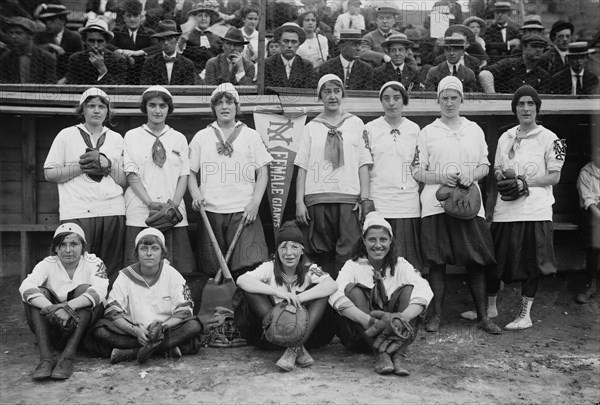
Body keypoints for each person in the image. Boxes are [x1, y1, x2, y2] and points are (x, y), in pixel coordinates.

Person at [462, 86, 566, 330]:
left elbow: (554, 177)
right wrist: (503, 175)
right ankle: (490, 308)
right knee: (494, 260)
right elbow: (497, 169)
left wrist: (524, 181)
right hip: (505, 210)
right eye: (521, 104)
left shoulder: (552, 138)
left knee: (532, 262)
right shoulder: (505, 136)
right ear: (515, 108)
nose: (526, 108)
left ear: (537, 108)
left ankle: (525, 314)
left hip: (535, 210)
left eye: (530, 103)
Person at [411, 76, 501, 335]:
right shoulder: (427, 132)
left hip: (469, 203)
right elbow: (417, 171)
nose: (449, 103)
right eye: (444, 97)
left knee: (476, 260)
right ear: (437, 100)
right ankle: (436, 316)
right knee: (437, 262)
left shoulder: (474, 129)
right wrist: (441, 177)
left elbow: (486, 164)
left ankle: (483, 317)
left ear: (462, 99)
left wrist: (472, 175)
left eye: (454, 97)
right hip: (435, 204)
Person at [330, 211, 433, 375]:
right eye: (372, 239)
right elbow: (335, 293)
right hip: (361, 335)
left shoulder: (400, 264)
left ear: (390, 241)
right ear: (363, 241)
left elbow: (425, 289)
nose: (378, 245)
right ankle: (381, 354)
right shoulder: (352, 265)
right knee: (353, 291)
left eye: (383, 239)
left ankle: (399, 354)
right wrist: (368, 320)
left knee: (410, 289)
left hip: (396, 334)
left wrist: (401, 318)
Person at [188, 83, 272, 277]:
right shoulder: (202, 136)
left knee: (249, 268)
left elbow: (263, 172)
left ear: (237, 106)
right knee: (213, 270)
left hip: (244, 211)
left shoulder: (251, 135)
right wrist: (196, 194)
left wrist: (255, 203)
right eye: (219, 103)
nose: (224, 107)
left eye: (229, 102)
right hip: (211, 211)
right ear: (214, 108)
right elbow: (189, 172)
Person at [44, 88, 126, 282]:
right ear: (82, 110)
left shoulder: (116, 138)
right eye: (91, 106)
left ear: (108, 111)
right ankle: (79, 307)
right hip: (77, 210)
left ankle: (107, 308)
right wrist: (82, 167)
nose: (96, 110)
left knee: (110, 267)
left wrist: (106, 164)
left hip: (111, 210)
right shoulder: (66, 135)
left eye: (101, 106)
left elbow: (123, 180)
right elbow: (49, 173)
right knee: (76, 266)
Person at [295, 74, 373, 278]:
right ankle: (326, 301)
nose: (332, 96)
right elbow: (302, 167)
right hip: (317, 196)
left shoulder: (355, 123)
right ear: (319, 96)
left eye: (337, 91)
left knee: (348, 252)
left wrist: (364, 197)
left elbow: (364, 163)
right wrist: (299, 202)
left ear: (343, 94)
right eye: (327, 91)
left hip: (348, 197)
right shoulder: (311, 127)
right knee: (321, 252)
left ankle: (345, 301)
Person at [86, 228, 203, 364]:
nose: (149, 253)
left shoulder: (172, 274)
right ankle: (165, 350)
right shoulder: (125, 276)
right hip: (133, 332)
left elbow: (184, 310)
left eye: (154, 248)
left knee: (194, 326)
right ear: (136, 253)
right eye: (143, 249)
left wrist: (162, 327)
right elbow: (113, 312)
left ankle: (130, 353)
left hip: (165, 330)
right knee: (99, 330)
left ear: (162, 253)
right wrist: (135, 331)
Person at [234, 221, 338, 371]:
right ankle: (297, 347)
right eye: (283, 247)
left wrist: (300, 298)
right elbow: (241, 280)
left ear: (302, 250)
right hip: (273, 336)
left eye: (294, 247)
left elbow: (332, 285)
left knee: (321, 292)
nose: (289, 253)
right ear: (277, 251)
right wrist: (278, 293)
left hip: (307, 333)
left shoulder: (310, 268)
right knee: (250, 289)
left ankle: (294, 348)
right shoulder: (269, 267)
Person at [19, 223, 108, 380]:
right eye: (62, 245)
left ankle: (67, 357)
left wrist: (68, 307)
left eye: (74, 244)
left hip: (83, 326)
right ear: (56, 248)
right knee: (39, 293)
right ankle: (46, 358)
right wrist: (52, 308)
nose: (68, 250)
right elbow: (25, 286)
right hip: (53, 323)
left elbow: (101, 289)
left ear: (83, 247)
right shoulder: (48, 263)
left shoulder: (93, 262)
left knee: (85, 290)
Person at [122, 86, 195, 275]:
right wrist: (150, 204)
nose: (157, 110)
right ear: (144, 107)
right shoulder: (132, 136)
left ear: (168, 109)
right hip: (141, 212)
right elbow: (131, 175)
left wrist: (173, 206)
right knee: (139, 270)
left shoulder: (178, 138)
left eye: (162, 106)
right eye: (152, 105)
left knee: (176, 270)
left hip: (173, 214)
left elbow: (183, 175)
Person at [365, 81, 423, 270]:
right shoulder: (369, 129)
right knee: (379, 259)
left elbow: (418, 166)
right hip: (380, 201)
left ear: (404, 101)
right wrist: (366, 199)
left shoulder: (414, 130)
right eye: (386, 98)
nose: (391, 103)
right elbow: (364, 165)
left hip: (407, 203)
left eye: (396, 98)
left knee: (406, 262)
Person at [108, 0, 158, 85]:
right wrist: (121, 51)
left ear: (140, 17)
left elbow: (157, 47)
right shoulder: (117, 31)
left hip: (143, 74)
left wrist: (136, 53)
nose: (132, 19)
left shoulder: (149, 33)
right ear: (124, 18)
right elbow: (108, 45)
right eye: (128, 16)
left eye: (135, 16)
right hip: (121, 74)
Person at [479, 34, 551, 94]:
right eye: (534, 46)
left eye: (541, 47)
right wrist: (493, 96)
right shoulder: (508, 64)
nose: (538, 50)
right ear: (524, 47)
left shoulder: (543, 75)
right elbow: (485, 73)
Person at [575, 138, 600, 304]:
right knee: (594, 244)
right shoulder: (586, 173)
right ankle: (591, 284)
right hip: (593, 212)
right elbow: (588, 200)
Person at [66, 18, 127, 84]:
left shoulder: (118, 60)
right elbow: (73, 88)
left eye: (100, 41)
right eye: (91, 41)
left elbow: (117, 90)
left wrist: (102, 69)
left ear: (107, 43)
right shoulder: (75, 59)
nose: (95, 46)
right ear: (84, 41)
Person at [33, 3, 83, 81]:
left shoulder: (74, 37)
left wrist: (66, 79)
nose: (48, 24)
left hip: (68, 80)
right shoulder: (40, 36)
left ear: (62, 20)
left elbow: (80, 62)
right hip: (44, 79)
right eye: (46, 20)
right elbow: (32, 49)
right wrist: (49, 45)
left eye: (52, 20)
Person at [0, 16, 57, 84]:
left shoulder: (46, 58)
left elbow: (51, 85)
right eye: (11, 33)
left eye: (19, 33)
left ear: (31, 35)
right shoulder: (6, 58)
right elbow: (4, 83)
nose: (14, 36)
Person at [141, 20, 197, 86]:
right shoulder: (150, 62)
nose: (166, 43)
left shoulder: (187, 64)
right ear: (159, 41)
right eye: (162, 39)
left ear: (176, 40)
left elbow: (188, 90)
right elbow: (145, 86)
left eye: (169, 38)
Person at [264, 22, 316, 89]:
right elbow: (266, 88)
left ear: (298, 45)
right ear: (279, 43)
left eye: (294, 42)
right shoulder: (267, 64)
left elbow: (308, 90)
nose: (289, 45)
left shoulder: (306, 66)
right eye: (286, 41)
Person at [178, 1, 222, 75]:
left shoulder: (217, 37)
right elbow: (180, 58)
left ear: (210, 18)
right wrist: (181, 43)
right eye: (200, 16)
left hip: (213, 74)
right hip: (192, 74)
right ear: (195, 18)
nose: (203, 19)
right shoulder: (186, 36)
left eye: (206, 16)